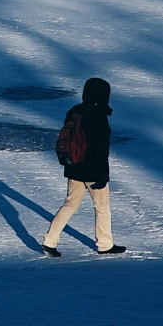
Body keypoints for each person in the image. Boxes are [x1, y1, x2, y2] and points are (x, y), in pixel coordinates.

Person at [42, 77, 125, 256]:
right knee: (102, 207)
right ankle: (105, 244)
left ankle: (50, 241)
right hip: (93, 171)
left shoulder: (75, 111)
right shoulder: (98, 116)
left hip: (74, 167)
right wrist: (103, 175)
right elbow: (100, 150)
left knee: (70, 204)